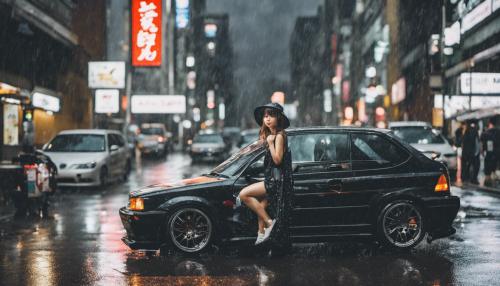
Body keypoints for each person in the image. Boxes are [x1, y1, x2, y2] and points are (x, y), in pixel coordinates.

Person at [238, 102, 293, 247]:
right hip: (273, 178)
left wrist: (270, 143)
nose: (267, 119)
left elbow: (277, 160)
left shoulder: (279, 136)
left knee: (244, 195)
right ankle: (261, 234)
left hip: (276, 181)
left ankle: (269, 223)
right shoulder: (272, 135)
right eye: (265, 116)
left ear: (278, 118)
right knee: (261, 205)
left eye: (271, 116)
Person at [480, 118, 500, 186]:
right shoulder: (498, 132)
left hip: (489, 154)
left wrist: (482, 151)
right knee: (495, 168)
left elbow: (482, 144)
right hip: (497, 153)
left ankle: (488, 182)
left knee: (488, 170)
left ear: (490, 123)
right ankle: (494, 180)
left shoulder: (486, 133)